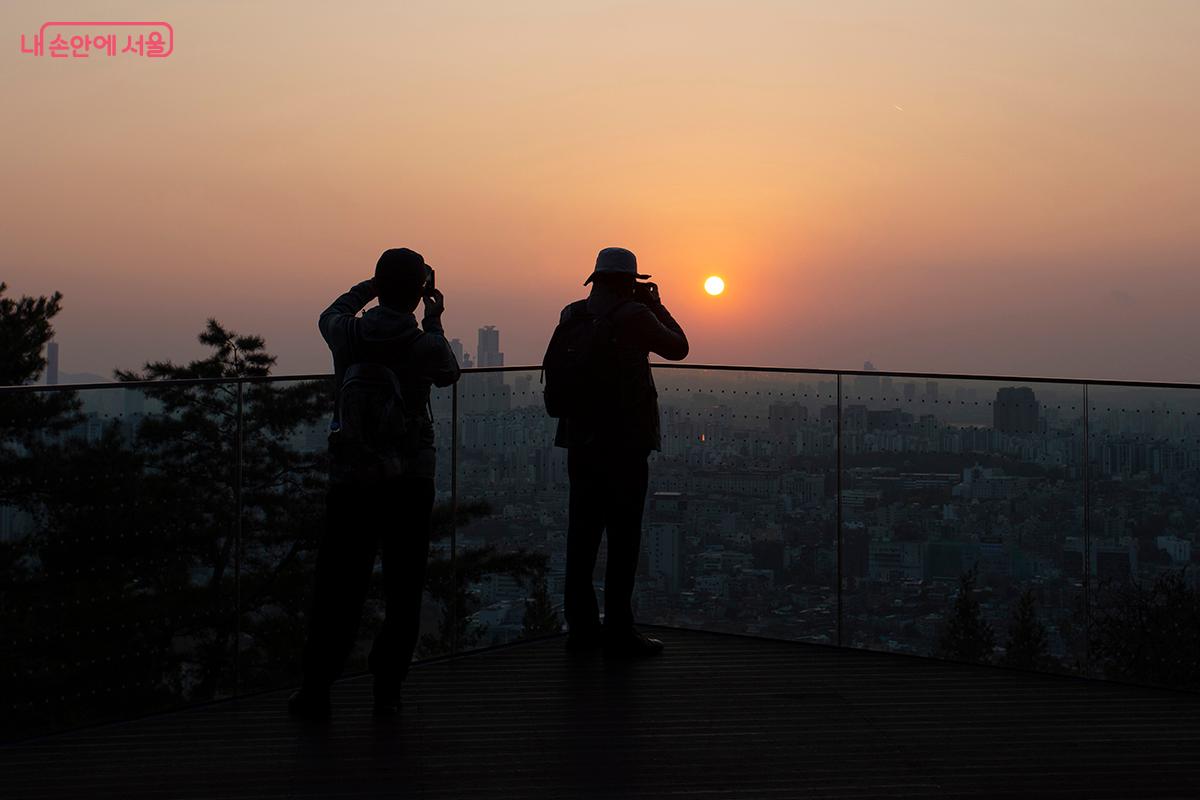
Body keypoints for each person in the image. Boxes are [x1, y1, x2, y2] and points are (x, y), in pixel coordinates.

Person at [289, 247, 460, 721]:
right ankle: (387, 692)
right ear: (419, 290)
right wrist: (434, 317)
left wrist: (370, 285)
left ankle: (316, 688)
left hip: (351, 478)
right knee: (404, 588)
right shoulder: (423, 342)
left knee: (338, 586)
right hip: (409, 480)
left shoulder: (348, 334)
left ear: (380, 286)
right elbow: (448, 372)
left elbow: (331, 311)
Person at [551, 246, 688, 657]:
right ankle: (619, 630)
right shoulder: (635, 316)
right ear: (630, 282)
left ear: (595, 278)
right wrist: (658, 306)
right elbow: (679, 348)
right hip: (625, 443)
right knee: (624, 539)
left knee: (582, 536)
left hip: (580, 440)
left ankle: (581, 631)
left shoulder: (571, 314)